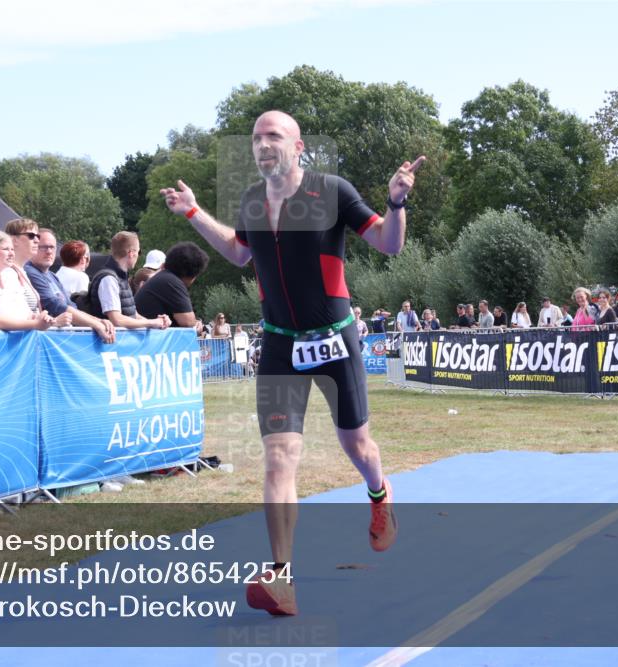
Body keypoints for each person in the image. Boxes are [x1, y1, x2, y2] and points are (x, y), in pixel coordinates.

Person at [161, 109, 421, 616]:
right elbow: (239, 253)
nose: (262, 144)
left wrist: (396, 202)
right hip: (280, 344)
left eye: (273, 136)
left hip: (335, 339)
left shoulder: (332, 191)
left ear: (298, 147)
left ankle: (379, 494)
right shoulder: (252, 201)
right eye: (256, 138)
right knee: (279, 457)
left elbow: (389, 244)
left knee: (357, 444)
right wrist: (194, 212)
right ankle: (281, 577)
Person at [24, 228, 115, 342]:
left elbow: (71, 306)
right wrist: (96, 324)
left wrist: (98, 321)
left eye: (52, 247)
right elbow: (55, 305)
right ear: (33, 247)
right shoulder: (30, 271)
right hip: (46, 341)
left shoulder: (52, 275)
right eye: (43, 247)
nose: (49, 251)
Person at [0, 230, 55, 331]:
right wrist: (34, 324)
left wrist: (39, 318)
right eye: (6, 249)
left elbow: (26, 313)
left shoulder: (10, 276)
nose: (11, 254)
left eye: (12, 249)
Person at [86, 231, 170, 331]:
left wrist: (158, 323)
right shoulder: (108, 279)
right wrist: (152, 322)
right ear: (131, 253)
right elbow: (117, 320)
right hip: (111, 340)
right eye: (138, 252)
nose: (138, 255)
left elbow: (132, 314)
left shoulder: (119, 277)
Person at [134, 241, 209, 328]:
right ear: (192, 275)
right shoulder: (171, 282)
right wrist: (197, 324)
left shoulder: (164, 278)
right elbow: (187, 322)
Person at [4, 218, 42, 313]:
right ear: (14, 240)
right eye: (31, 236)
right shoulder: (7, 273)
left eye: (38, 236)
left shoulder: (20, 271)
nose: (37, 240)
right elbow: (14, 312)